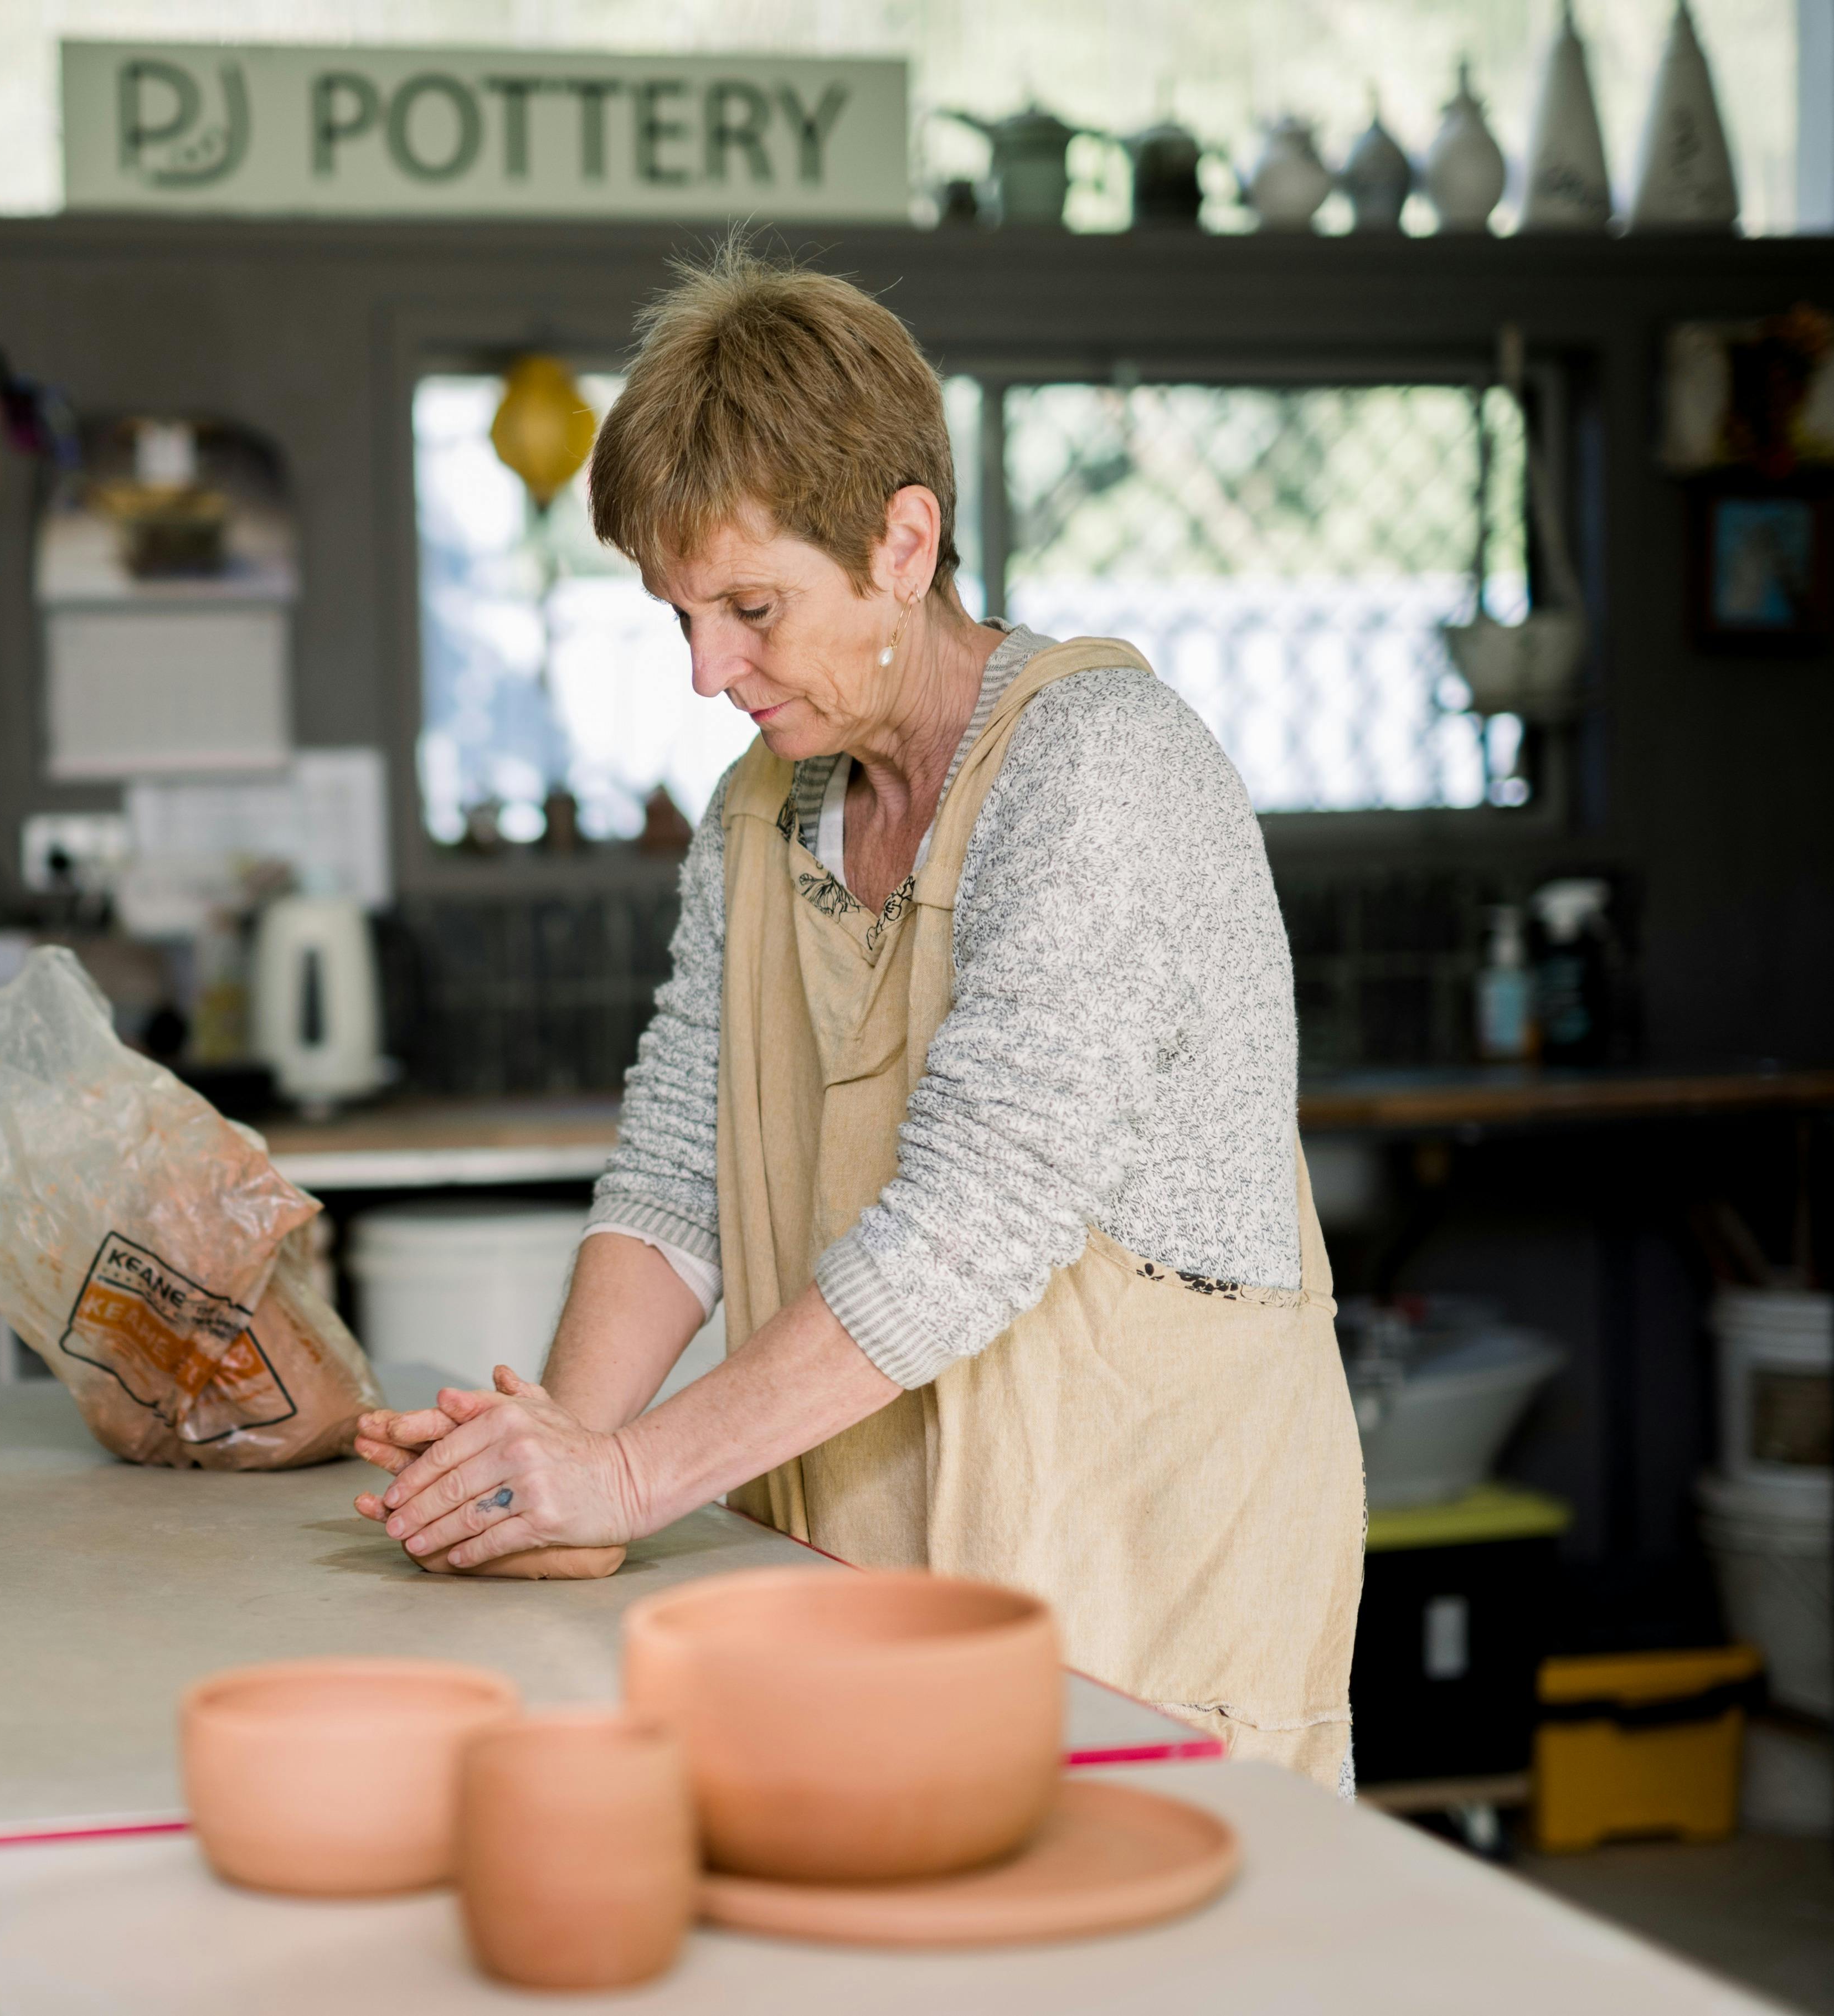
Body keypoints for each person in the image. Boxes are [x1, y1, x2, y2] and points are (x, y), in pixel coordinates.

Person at [356, 244, 1364, 1788]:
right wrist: (541, 1470)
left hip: (1141, 1609)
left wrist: (627, 1475)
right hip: (870, 1589)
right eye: (678, 614)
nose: (706, 671)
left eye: (751, 607)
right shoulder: (766, 814)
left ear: (905, 540)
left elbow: (977, 1215)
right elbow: (683, 1162)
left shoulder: (1100, 770)